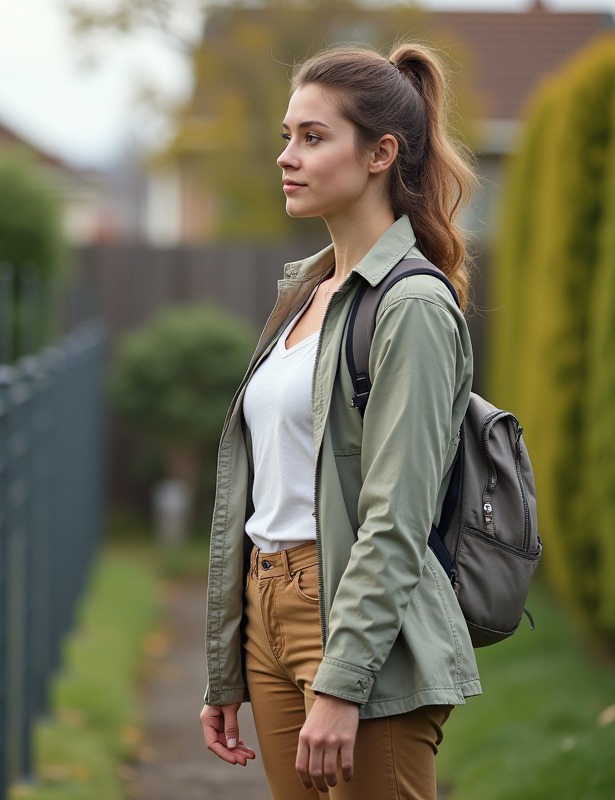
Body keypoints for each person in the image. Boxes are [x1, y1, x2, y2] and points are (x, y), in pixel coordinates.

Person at [199, 42, 482, 800]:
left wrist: (344, 681)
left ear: (382, 153)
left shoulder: (412, 307)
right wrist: (228, 666)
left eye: (313, 138)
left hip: (359, 619)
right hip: (270, 610)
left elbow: (396, 515)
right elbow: (262, 495)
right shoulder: (307, 293)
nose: (288, 157)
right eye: (288, 136)